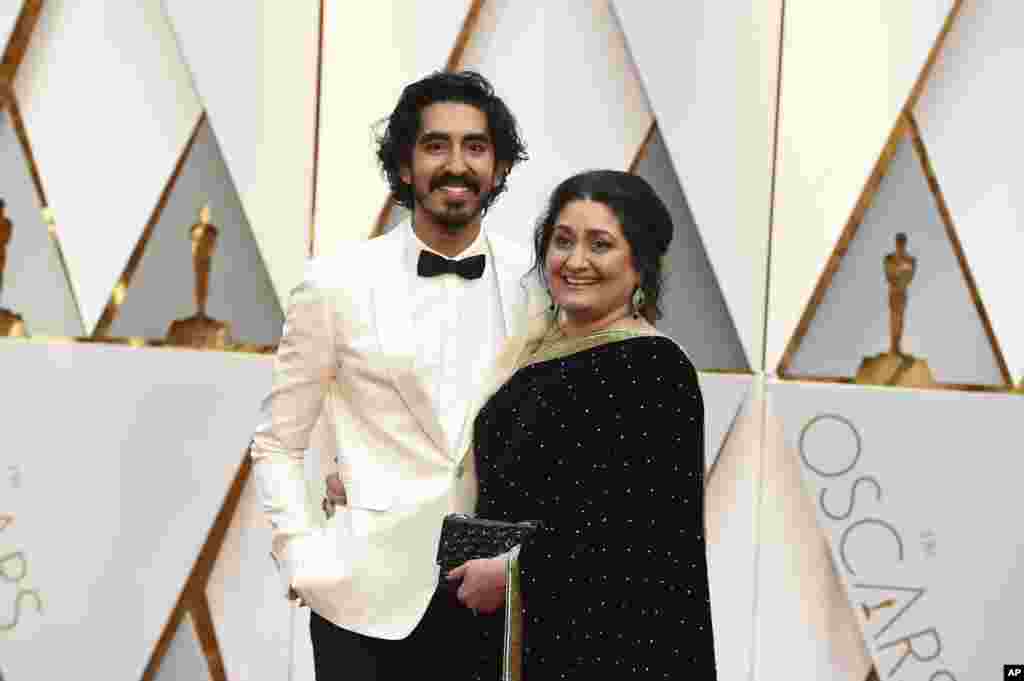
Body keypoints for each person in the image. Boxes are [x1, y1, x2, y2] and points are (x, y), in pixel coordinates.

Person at [249, 70, 537, 681]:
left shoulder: (536, 287)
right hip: (362, 601)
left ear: (501, 168)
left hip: (487, 597)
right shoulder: (337, 281)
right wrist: (299, 554)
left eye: (475, 147)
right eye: (436, 146)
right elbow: (277, 442)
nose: (455, 165)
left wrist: (520, 561)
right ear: (405, 166)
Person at [449, 170, 717, 678]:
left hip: (603, 646)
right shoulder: (528, 354)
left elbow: (638, 528)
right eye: (563, 241)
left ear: (638, 263)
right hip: (499, 630)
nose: (575, 262)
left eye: (601, 245)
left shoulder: (653, 368)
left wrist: (513, 571)